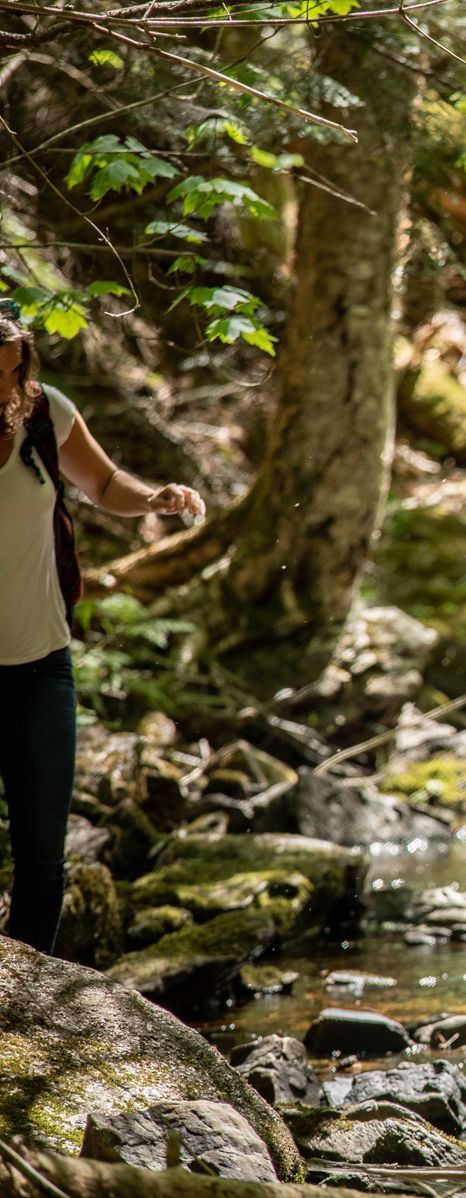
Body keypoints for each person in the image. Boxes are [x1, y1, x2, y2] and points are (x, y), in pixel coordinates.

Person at [0, 302, 205, 954]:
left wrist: (154, 498)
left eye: (13, 368)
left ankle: (24, 998)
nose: (4, 386)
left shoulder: (44, 412)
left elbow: (104, 482)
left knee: (42, 855)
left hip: (41, 664)